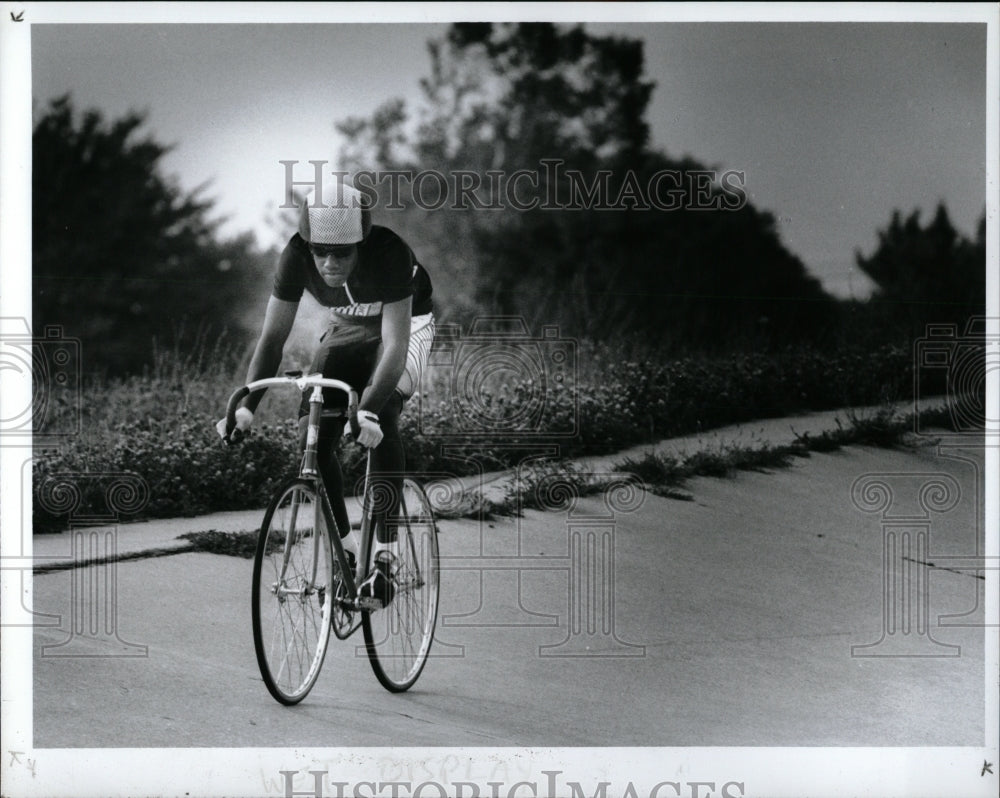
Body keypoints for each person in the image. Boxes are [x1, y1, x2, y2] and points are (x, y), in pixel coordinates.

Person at [217, 178, 434, 605]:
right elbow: (271, 339)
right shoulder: (294, 256)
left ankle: (386, 559)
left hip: (406, 327)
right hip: (348, 329)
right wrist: (245, 408)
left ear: (361, 243)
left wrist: (367, 410)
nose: (330, 264)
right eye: (321, 252)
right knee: (311, 437)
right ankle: (347, 553)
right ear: (307, 245)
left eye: (342, 253)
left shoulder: (390, 252)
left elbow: (394, 345)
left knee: (383, 416)